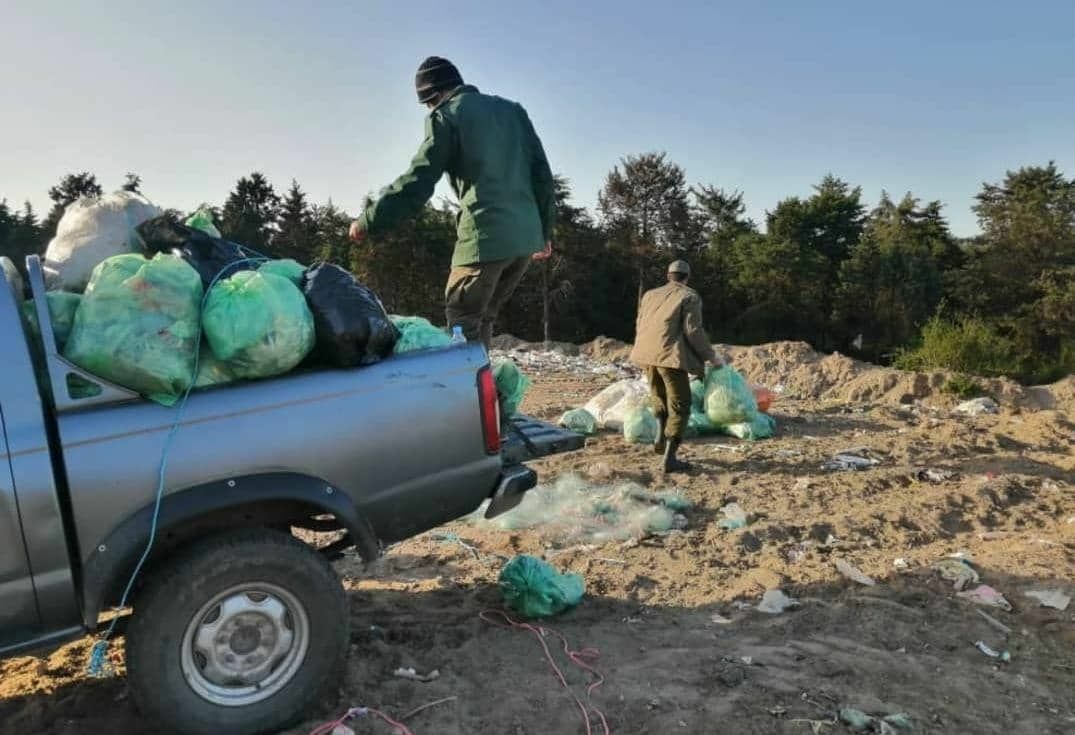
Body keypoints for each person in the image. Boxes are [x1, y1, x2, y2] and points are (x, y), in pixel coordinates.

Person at [349, 56, 555, 348]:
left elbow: (418, 180)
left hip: (485, 237)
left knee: (462, 318)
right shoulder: (513, 111)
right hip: (524, 240)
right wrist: (545, 232)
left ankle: (470, 392)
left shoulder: (445, 116)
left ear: (435, 95)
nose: (429, 109)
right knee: (484, 318)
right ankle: (485, 391)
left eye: (428, 104)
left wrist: (368, 220)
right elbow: (542, 175)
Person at [629, 260, 723, 473]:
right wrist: (711, 356)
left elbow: (640, 322)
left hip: (646, 354)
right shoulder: (689, 296)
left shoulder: (650, 295)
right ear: (687, 277)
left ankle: (660, 439)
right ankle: (669, 460)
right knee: (680, 405)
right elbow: (693, 331)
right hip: (669, 357)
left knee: (658, 396)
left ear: (668, 275)